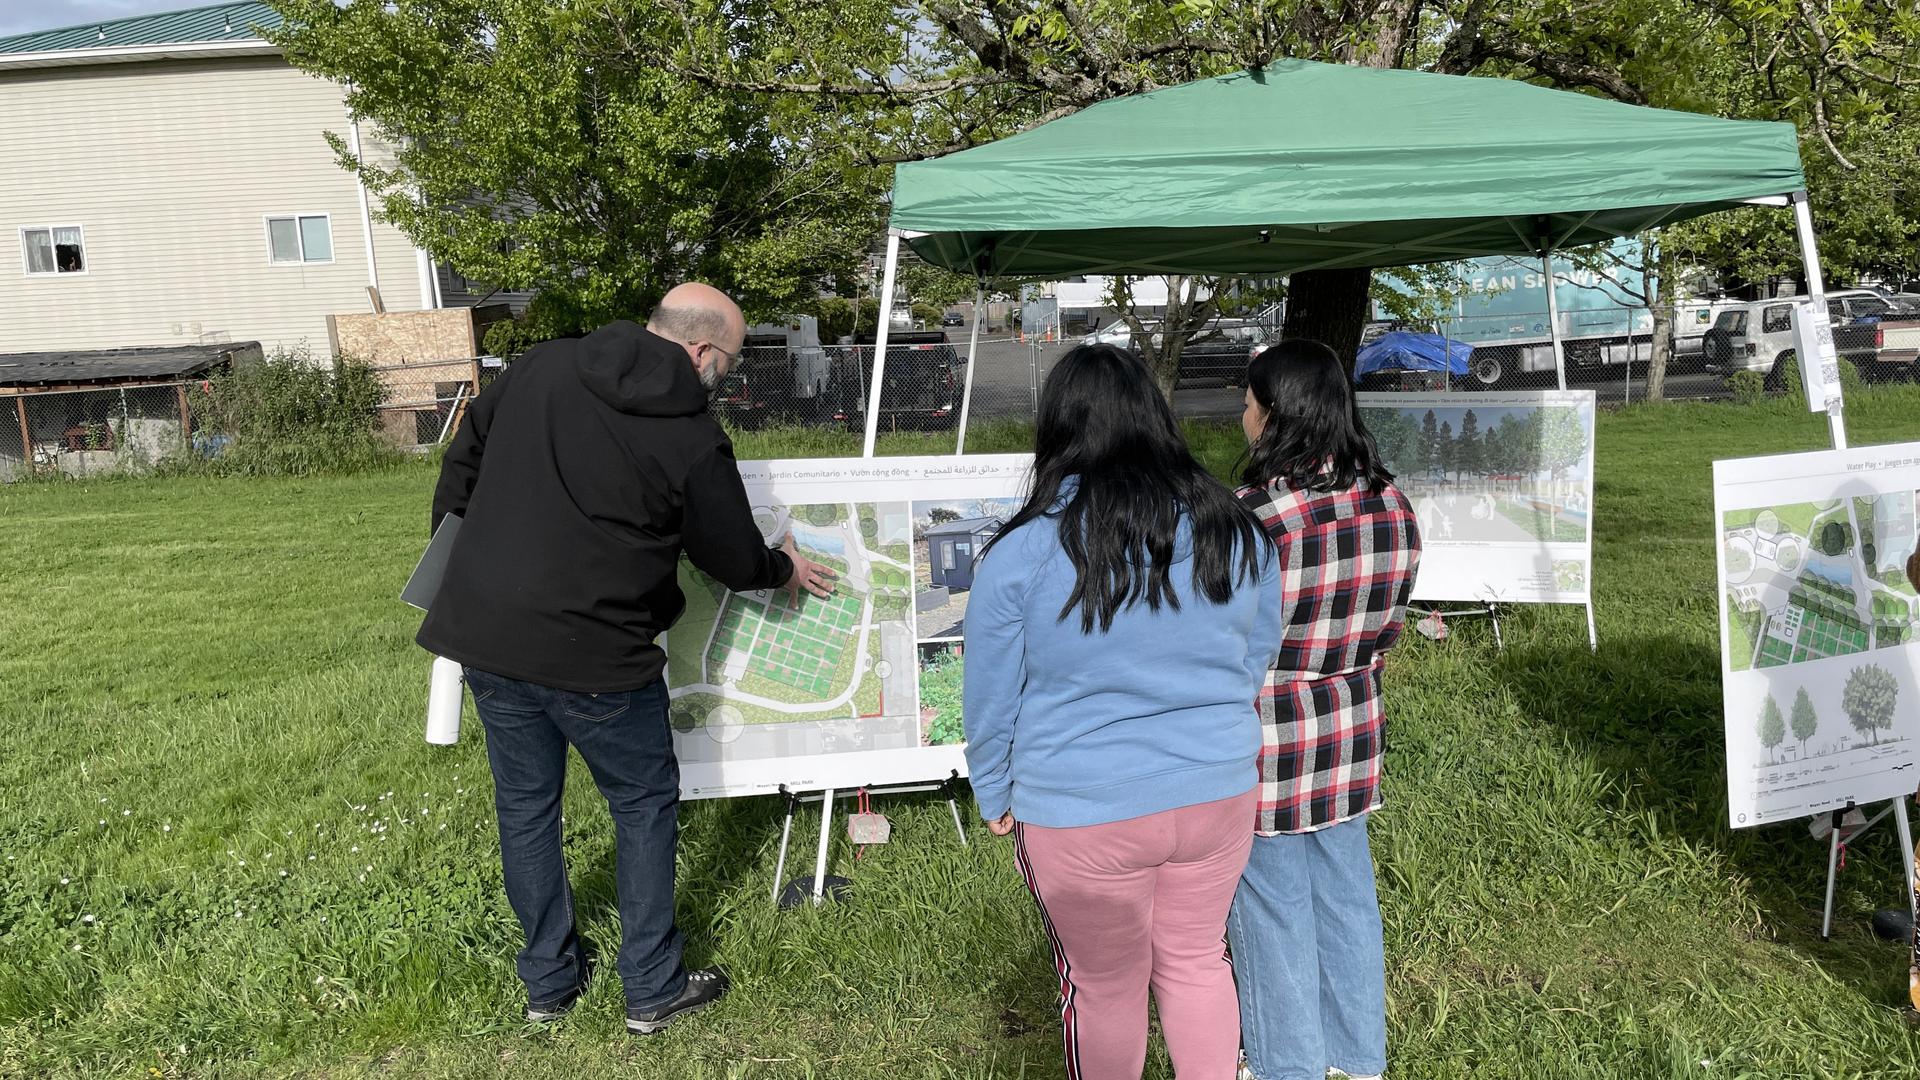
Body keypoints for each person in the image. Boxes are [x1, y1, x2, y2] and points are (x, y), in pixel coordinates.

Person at [417, 283, 839, 1035]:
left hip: (485, 633)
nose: (727, 378)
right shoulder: (691, 434)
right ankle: (650, 986)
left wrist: (456, 547)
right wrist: (782, 569)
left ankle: (548, 982)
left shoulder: (543, 365)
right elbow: (731, 555)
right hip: (600, 657)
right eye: (731, 362)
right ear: (703, 351)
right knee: (642, 807)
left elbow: (463, 461)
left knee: (525, 809)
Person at [962, 343, 1284, 1080]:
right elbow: (1253, 655)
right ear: (1155, 415)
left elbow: (989, 691)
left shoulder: (1024, 551)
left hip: (1081, 809)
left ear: (1059, 428)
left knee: (1105, 987)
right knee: (1198, 962)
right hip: (1217, 789)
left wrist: (993, 787)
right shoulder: (1236, 529)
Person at [1228, 339, 1422, 1080]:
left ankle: (1288, 1067)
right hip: (1350, 725)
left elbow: (1229, 646)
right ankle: (1355, 1061)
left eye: (1248, 404)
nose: (1242, 418)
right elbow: (1393, 624)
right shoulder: (1392, 503)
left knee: (1271, 911)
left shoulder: (1254, 518)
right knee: (1347, 900)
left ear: (1275, 413)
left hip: (1265, 739)